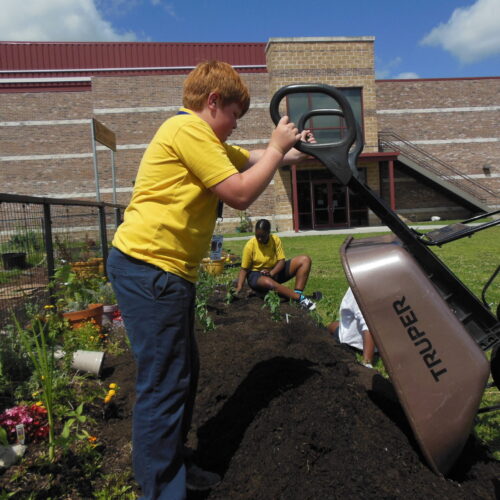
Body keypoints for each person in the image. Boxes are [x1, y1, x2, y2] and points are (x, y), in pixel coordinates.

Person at [106, 60, 314, 500]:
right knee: (163, 382)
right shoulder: (187, 131)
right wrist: (276, 151)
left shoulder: (206, 139)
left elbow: (255, 158)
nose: (236, 125)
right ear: (213, 102)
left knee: (180, 374)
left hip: (164, 272)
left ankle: (173, 465)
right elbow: (239, 193)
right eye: (235, 114)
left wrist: (291, 148)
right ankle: (162, 490)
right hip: (149, 268)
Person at [235, 219, 317, 311]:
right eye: (257, 236)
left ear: (268, 233)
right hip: (256, 276)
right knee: (267, 282)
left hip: (274, 272)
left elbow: (281, 261)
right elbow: (244, 269)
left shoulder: (275, 240)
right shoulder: (250, 245)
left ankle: (296, 293)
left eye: (262, 236)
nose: (259, 239)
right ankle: (299, 299)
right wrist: (239, 287)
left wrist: (271, 273)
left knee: (305, 260)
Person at [328, 287, 376, 367]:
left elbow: (368, 323)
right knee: (335, 325)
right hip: (385, 342)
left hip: (358, 343)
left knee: (331, 327)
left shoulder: (360, 286)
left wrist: (367, 362)